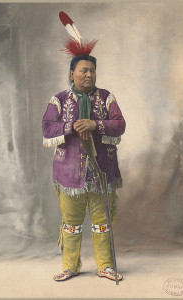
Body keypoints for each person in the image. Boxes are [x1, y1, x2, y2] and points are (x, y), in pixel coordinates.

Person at [42, 12, 126, 281]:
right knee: (71, 225)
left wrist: (95, 124)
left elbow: (119, 124)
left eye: (92, 71)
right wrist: (69, 126)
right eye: (83, 70)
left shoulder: (106, 97)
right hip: (69, 175)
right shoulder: (58, 100)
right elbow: (46, 128)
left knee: (102, 224)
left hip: (102, 172)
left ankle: (106, 266)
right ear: (72, 73)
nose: (89, 74)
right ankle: (70, 266)